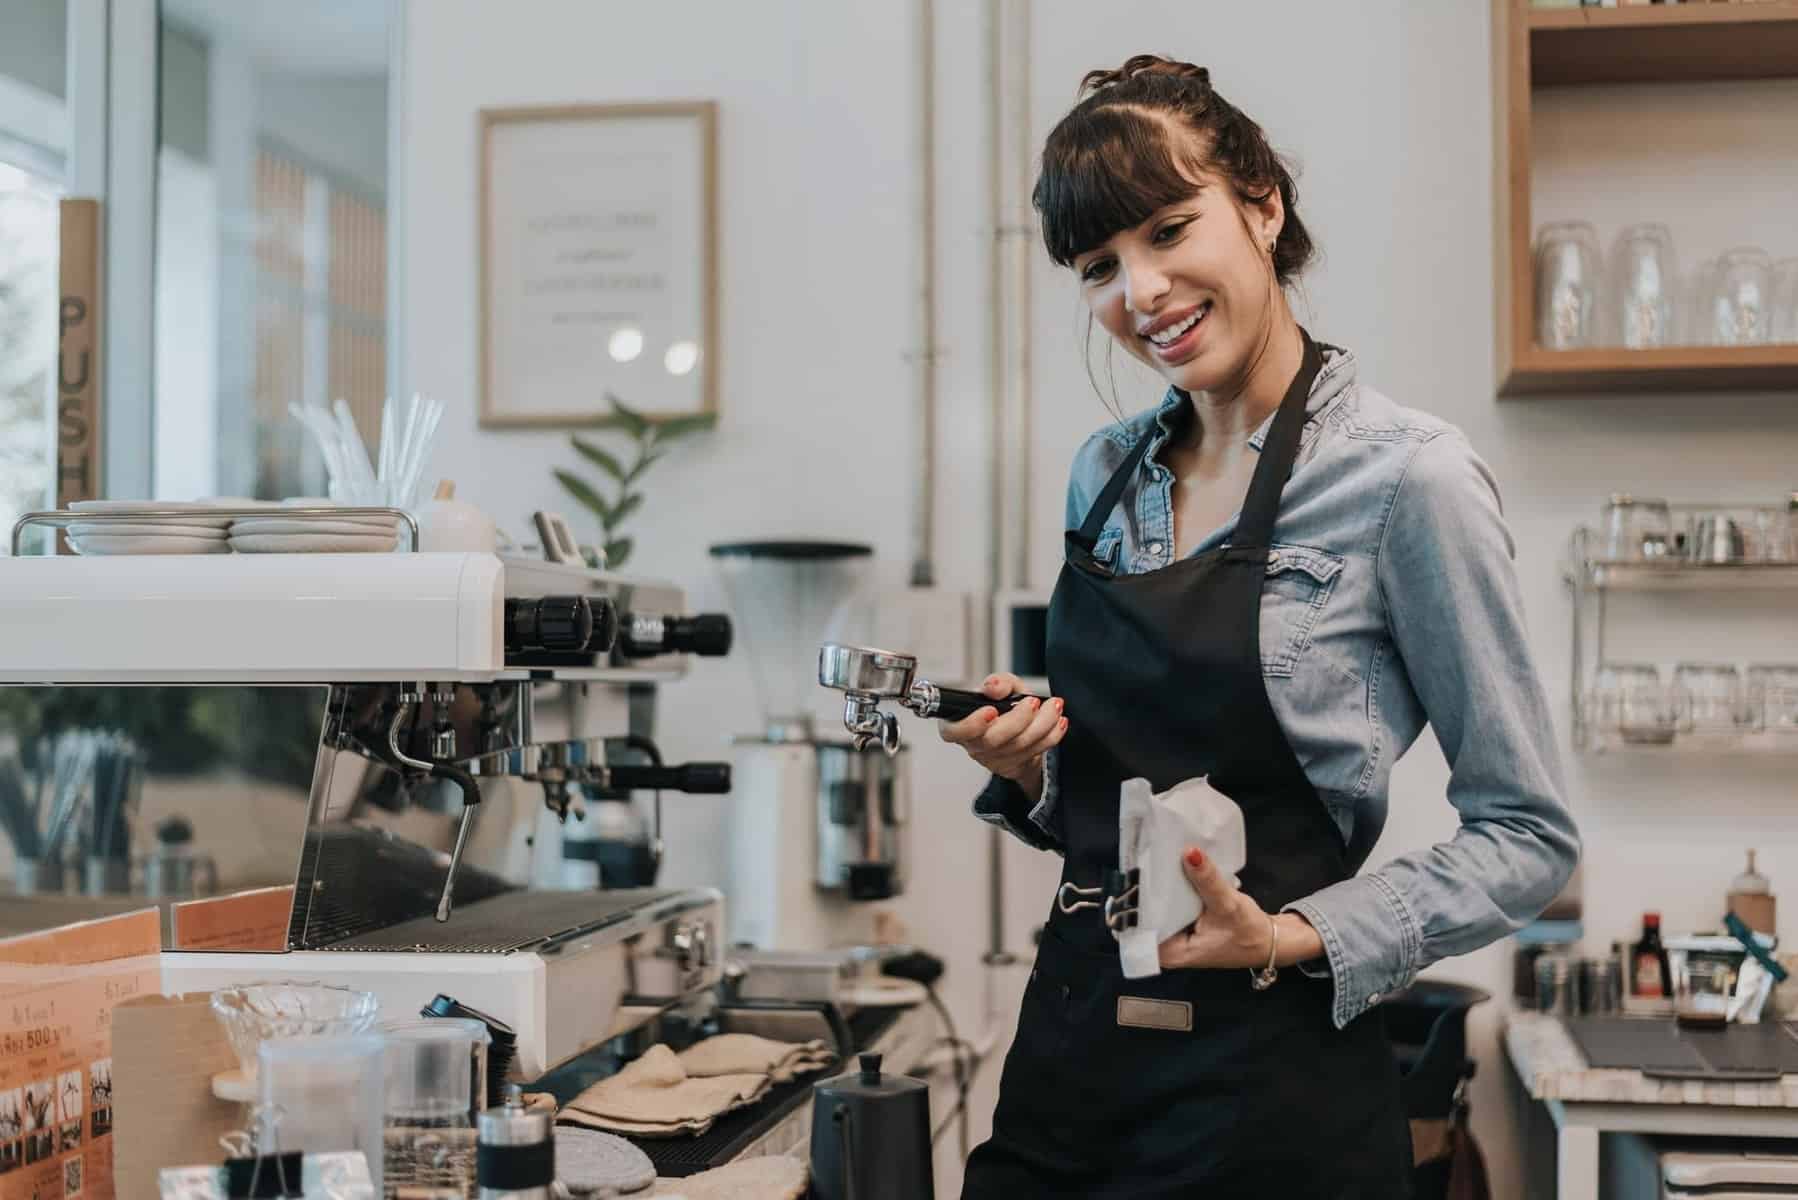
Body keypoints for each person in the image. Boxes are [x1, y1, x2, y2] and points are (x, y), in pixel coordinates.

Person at [942, 55, 1579, 1198]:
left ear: (1262, 203)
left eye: (1170, 229)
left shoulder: (1407, 482)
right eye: (1099, 265)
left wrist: (1290, 937)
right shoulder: (1104, 476)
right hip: (1071, 1052)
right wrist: (1032, 772)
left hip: (1268, 1093)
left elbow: (1527, 839)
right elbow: (1119, 802)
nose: (1139, 291)